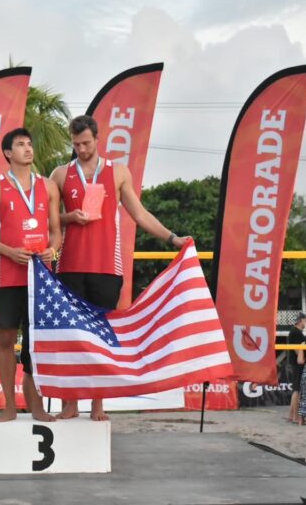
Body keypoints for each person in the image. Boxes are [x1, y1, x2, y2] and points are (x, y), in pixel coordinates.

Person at [49, 115, 189, 421]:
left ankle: (98, 403)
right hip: (69, 265)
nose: (81, 149)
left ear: (97, 138)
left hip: (106, 267)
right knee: (71, 335)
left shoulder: (117, 172)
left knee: (101, 336)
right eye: (75, 144)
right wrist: (70, 217)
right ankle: (69, 403)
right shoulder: (60, 174)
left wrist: (172, 237)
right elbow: (48, 219)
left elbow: (139, 213)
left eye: (86, 143)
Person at [0, 128, 61, 422]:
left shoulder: (48, 186)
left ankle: (36, 406)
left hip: (40, 275)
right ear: (8, 153)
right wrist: (9, 252)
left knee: (36, 341)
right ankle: (9, 406)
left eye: (30, 143)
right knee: (6, 338)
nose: (28, 149)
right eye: (21, 145)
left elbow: (56, 231)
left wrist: (53, 250)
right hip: (7, 274)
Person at [286, 312, 306, 423]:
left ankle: (290, 415)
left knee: (296, 389)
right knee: (297, 390)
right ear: (301, 320)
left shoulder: (294, 331)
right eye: (305, 320)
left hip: (295, 363)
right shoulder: (296, 332)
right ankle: (295, 416)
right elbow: (297, 349)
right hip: (297, 363)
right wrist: (303, 360)